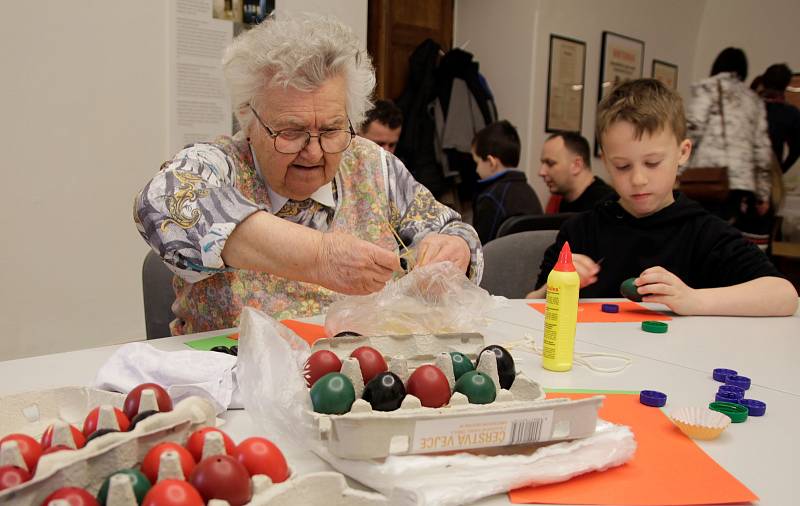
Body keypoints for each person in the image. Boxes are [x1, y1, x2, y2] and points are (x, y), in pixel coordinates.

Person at [134, 13, 483, 335]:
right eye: (290, 132)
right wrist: (320, 257)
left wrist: (454, 251)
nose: (314, 151)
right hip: (235, 386)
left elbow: (450, 229)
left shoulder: (372, 166)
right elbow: (163, 201)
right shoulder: (222, 165)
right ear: (247, 118)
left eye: (331, 130)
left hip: (359, 383)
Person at [526, 79, 797, 316]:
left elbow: (783, 295)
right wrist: (554, 287)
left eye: (653, 162)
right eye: (622, 166)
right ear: (605, 162)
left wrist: (693, 299)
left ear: (683, 152)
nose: (638, 179)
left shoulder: (703, 232)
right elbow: (528, 303)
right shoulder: (581, 230)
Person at [685, 47, 773, 231]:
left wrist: (677, 170)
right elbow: (762, 150)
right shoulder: (754, 100)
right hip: (740, 183)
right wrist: (763, 193)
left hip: (706, 178)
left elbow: (693, 130)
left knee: (699, 231)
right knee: (727, 235)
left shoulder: (708, 88)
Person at [470, 120, 542, 243]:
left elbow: (479, 247)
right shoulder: (529, 190)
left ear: (491, 162)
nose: (476, 169)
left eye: (477, 163)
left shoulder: (490, 197)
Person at [538, 132, 615, 213]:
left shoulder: (605, 206)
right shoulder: (566, 200)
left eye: (550, 163)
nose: (541, 172)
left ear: (576, 165)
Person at [759, 64, 800, 173]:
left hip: (745, 172)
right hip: (771, 171)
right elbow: (796, 150)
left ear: (764, 80)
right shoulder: (790, 113)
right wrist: (781, 170)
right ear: (786, 84)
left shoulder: (748, 105)